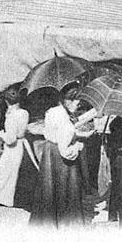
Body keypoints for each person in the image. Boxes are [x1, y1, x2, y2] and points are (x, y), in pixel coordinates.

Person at [29, 86, 94, 227]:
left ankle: (49, 221)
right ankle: (66, 223)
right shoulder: (64, 118)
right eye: (75, 101)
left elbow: (56, 134)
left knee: (49, 189)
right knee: (65, 190)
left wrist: (77, 134)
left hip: (50, 152)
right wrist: (78, 145)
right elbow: (66, 151)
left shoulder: (52, 111)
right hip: (61, 158)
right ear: (66, 100)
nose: (78, 105)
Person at [0, 84, 36, 209]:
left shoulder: (12, 116)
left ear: (6, 101)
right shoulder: (24, 113)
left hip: (13, 148)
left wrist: (1, 134)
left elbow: (11, 140)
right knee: (16, 173)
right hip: (23, 145)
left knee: (5, 173)